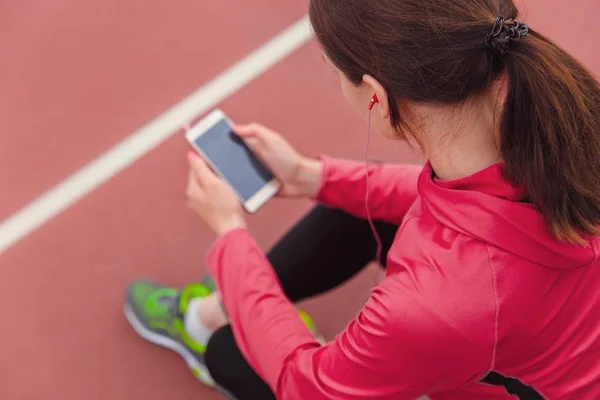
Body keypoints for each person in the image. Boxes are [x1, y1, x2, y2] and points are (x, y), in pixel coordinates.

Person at [123, 0, 600, 398]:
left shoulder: (433, 306)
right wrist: (315, 177)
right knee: (354, 208)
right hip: (540, 337)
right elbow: (453, 207)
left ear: (376, 95)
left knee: (230, 352)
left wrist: (230, 237)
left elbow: (303, 385)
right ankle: (215, 310)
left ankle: (212, 322)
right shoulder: (560, 126)